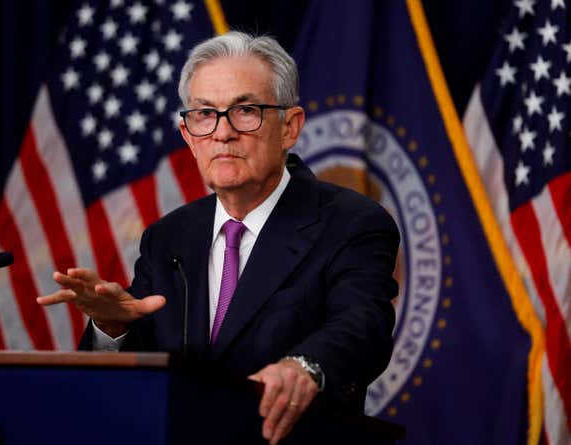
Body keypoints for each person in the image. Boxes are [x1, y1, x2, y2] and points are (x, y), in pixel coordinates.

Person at [38, 31, 399, 445]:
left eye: (246, 110)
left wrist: (304, 367)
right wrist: (111, 326)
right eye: (205, 114)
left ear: (290, 127)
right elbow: (129, 386)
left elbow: (364, 325)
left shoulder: (350, 223)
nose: (222, 133)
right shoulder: (168, 238)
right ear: (188, 135)